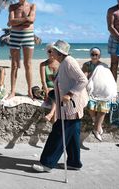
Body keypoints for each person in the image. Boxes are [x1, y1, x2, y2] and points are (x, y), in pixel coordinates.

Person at [32, 40, 88, 172]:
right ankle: (74, 162)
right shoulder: (64, 63)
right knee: (73, 134)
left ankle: (47, 163)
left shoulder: (69, 62)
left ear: (59, 52)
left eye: (52, 51)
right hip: (69, 106)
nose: (51, 53)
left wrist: (69, 93)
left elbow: (83, 80)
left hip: (71, 105)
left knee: (58, 134)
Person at [7, 0, 36, 99]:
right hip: (15, 36)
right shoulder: (12, 7)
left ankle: (29, 90)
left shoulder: (32, 6)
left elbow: (31, 19)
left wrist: (15, 21)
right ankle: (13, 91)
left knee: (27, 64)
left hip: (28, 35)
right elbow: (11, 21)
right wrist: (25, 20)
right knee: (14, 65)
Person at [82, 47, 117, 141]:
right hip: (91, 89)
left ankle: (96, 129)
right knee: (89, 103)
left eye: (96, 54)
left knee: (104, 106)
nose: (94, 56)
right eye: (92, 54)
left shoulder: (104, 66)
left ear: (99, 56)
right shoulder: (86, 65)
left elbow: (109, 79)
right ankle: (96, 124)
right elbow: (84, 78)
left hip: (102, 91)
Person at [39, 43, 59, 122]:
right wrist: (46, 90)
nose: (52, 53)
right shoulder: (43, 65)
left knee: (57, 93)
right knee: (55, 94)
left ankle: (51, 114)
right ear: (47, 52)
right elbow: (43, 81)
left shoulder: (61, 64)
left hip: (59, 89)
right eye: (50, 51)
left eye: (54, 51)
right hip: (47, 89)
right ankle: (54, 121)